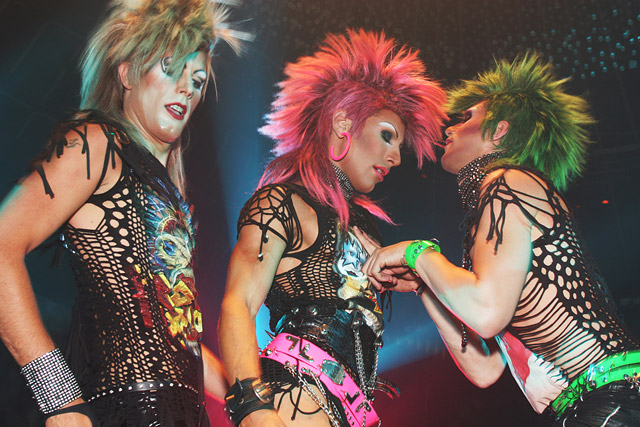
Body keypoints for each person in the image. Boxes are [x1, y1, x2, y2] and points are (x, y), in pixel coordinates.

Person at [357, 53, 640, 426]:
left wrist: (416, 252)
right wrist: (424, 286)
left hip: (613, 395)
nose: (450, 129)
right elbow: (484, 368)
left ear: (499, 131)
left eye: (467, 117)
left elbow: (487, 314)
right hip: (590, 404)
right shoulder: (497, 203)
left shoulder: (508, 183)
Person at [0, 0, 245, 425]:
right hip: (124, 411)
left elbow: (177, 337)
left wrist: (250, 402)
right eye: (170, 68)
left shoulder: (169, 194)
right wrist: (60, 399)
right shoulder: (98, 143)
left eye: (197, 80)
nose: (187, 89)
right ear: (128, 74)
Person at [218, 29, 447, 427]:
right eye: (387, 136)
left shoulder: (361, 230)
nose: (395, 157)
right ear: (343, 122)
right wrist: (253, 410)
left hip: (350, 410)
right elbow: (238, 305)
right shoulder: (281, 203)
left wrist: (419, 279)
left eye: (399, 146)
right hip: (293, 396)